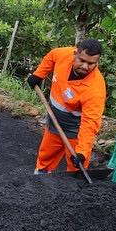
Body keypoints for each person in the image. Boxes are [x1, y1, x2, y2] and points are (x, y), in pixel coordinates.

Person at [26, 39, 106, 174]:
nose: (85, 67)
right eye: (82, 60)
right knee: (46, 156)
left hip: (75, 129)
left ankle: (74, 189)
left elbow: (90, 123)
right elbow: (52, 56)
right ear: (75, 54)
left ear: (97, 62)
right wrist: (39, 74)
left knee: (77, 167)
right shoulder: (64, 55)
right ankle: (40, 178)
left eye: (91, 63)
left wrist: (82, 152)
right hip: (54, 119)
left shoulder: (95, 89)